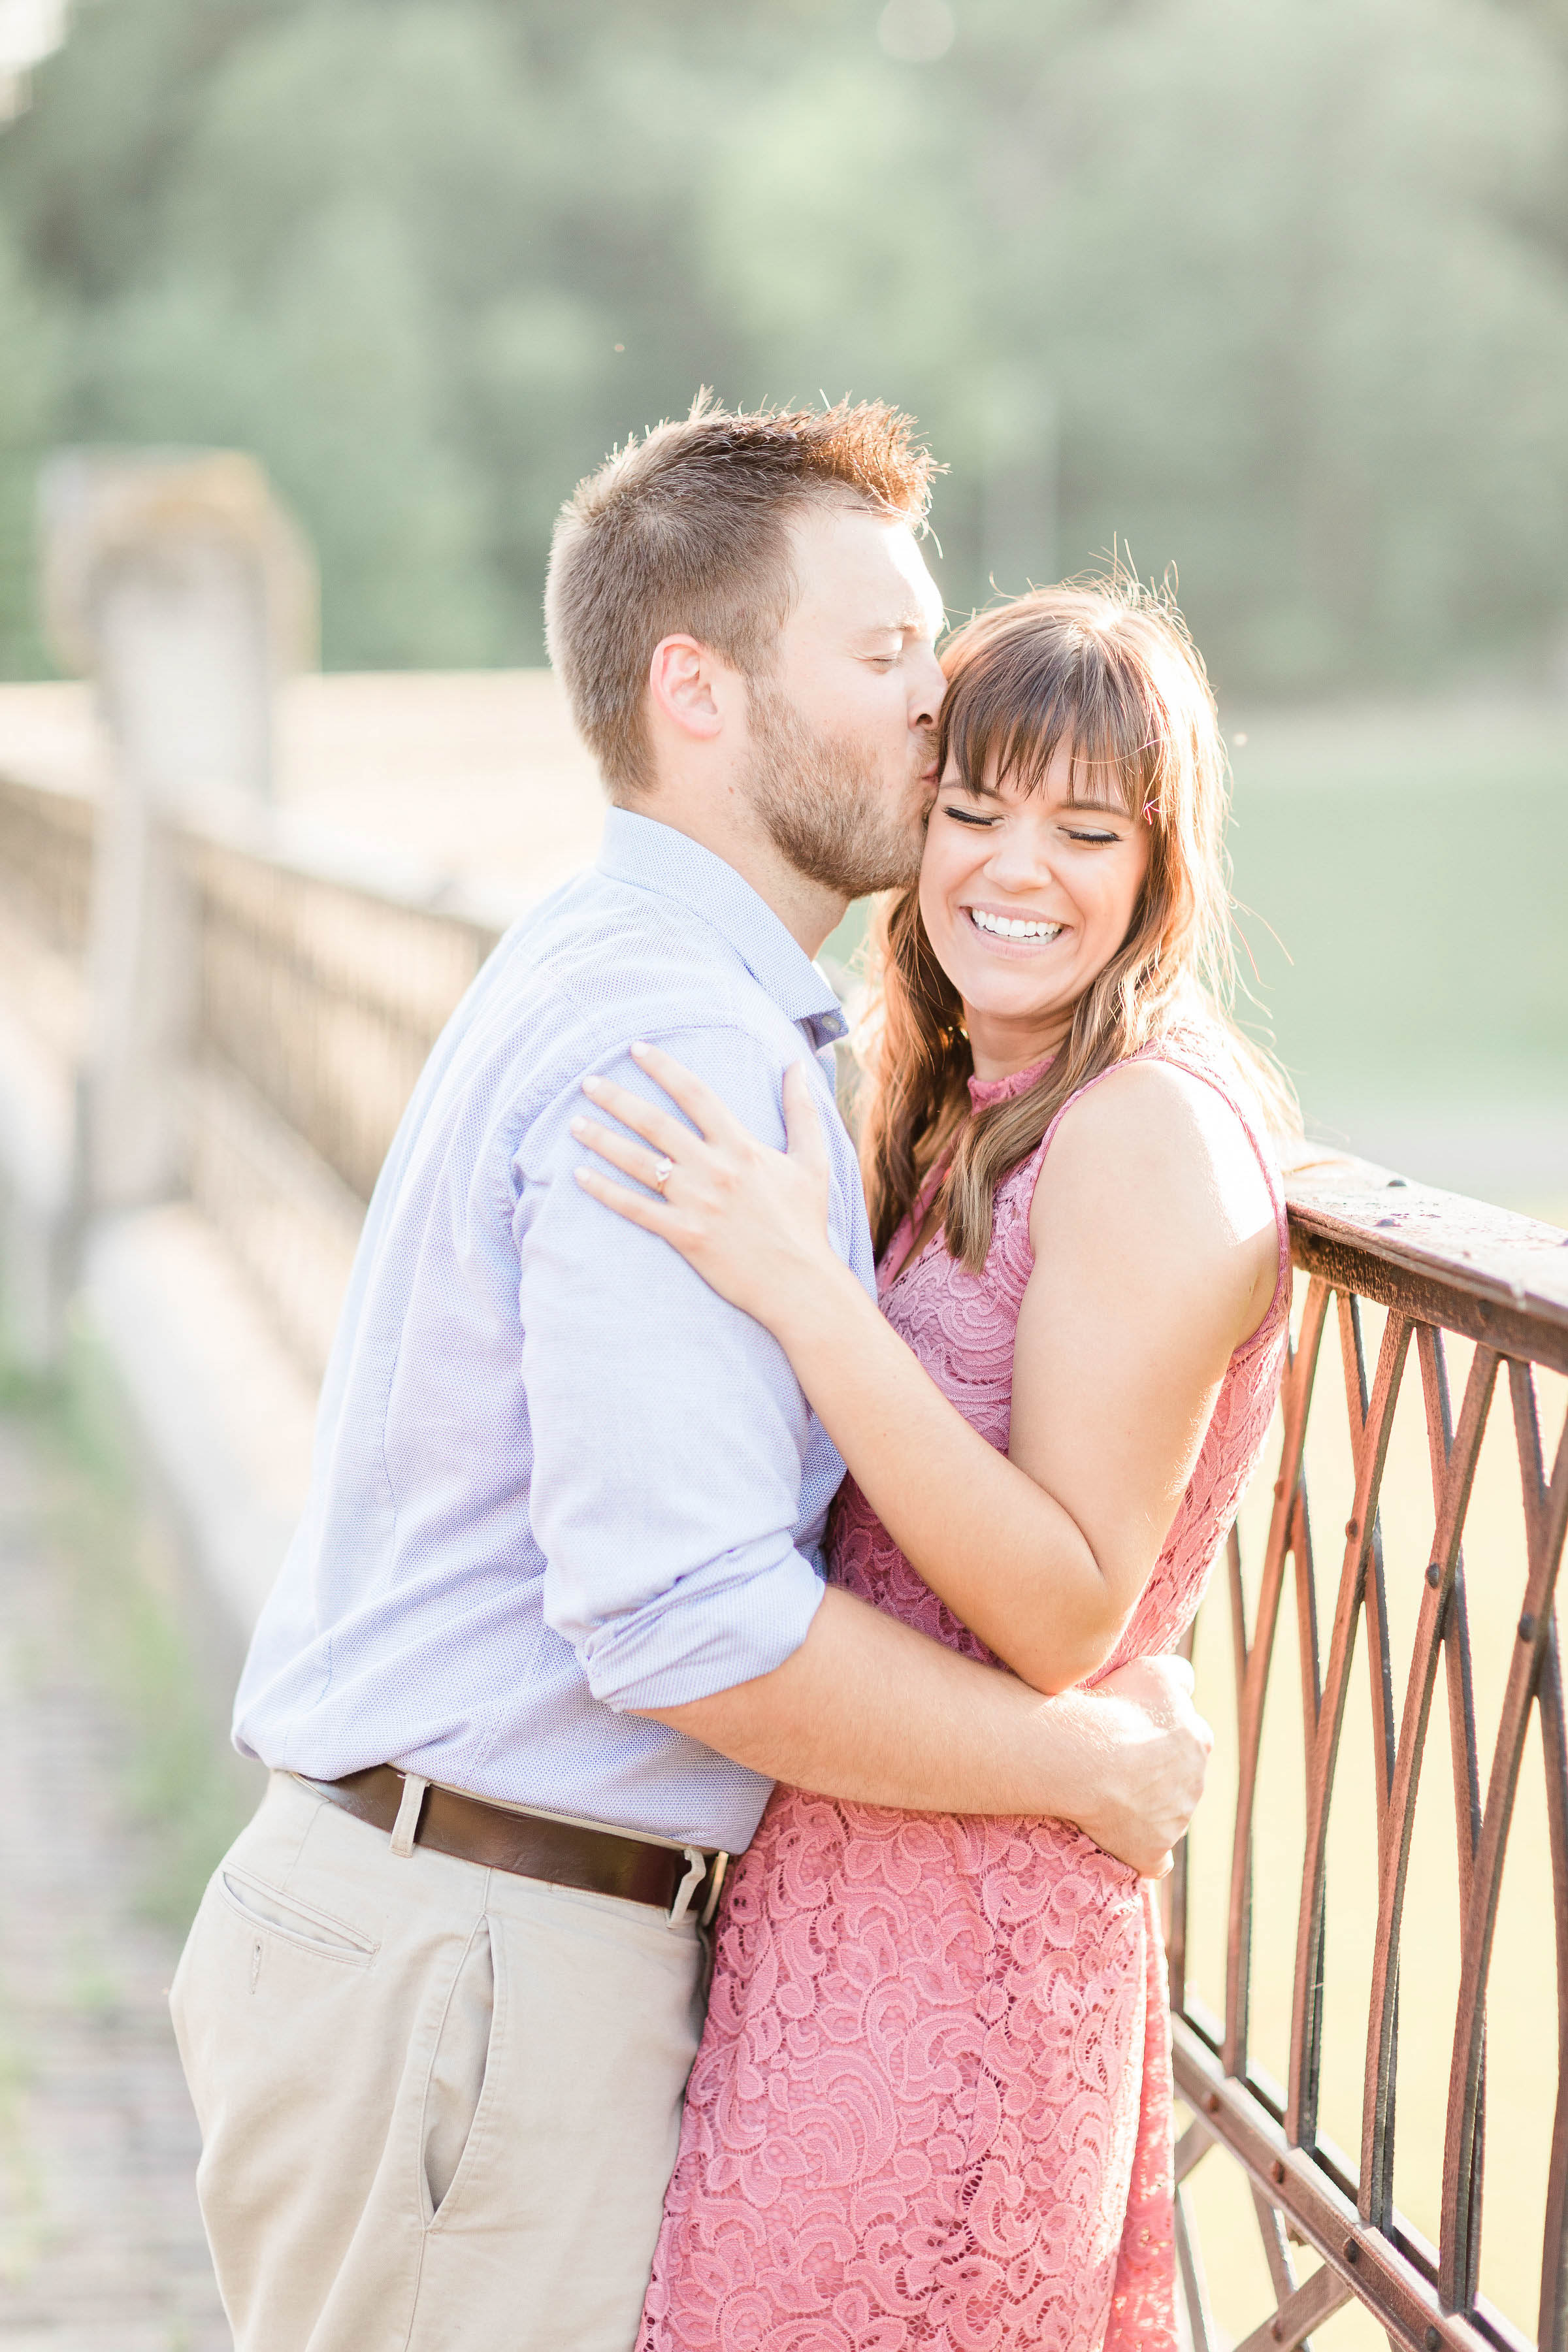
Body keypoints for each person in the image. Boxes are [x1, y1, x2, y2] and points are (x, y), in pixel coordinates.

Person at [168, 401, 1213, 2352]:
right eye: (887, 655)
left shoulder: (627, 963)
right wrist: (1082, 1764)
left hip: (445, 1944)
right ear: (699, 690)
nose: (939, 708)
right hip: (472, 1980)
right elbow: (688, 1625)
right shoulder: (685, 1039)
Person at [571, 578, 1295, 2350]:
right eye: (972, 811)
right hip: (845, 1908)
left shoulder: (1142, 1135)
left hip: (971, 1948)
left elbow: (1064, 1609)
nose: (1011, 870)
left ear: (1161, 863)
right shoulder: (970, 1098)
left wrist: (813, 1303)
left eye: (1083, 828)